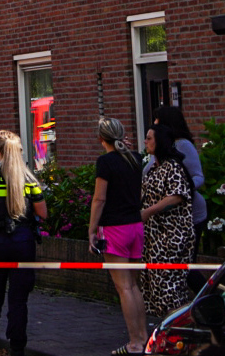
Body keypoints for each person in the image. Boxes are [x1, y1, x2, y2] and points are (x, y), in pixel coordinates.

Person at [0, 130, 47, 356]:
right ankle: (17, 348)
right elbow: (42, 213)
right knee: (18, 299)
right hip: (22, 243)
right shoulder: (29, 179)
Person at [87, 117, 147, 355]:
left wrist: (92, 229)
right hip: (135, 226)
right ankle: (143, 336)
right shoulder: (135, 159)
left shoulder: (105, 162)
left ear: (100, 138)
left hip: (115, 229)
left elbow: (99, 199)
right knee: (133, 286)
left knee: (123, 288)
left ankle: (134, 343)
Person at [141, 124, 195, 320]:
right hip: (154, 236)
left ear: (160, 142)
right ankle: (167, 325)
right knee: (155, 284)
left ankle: (177, 326)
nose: (145, 142)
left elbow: (177, 196)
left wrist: (149, 211)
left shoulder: (172, 166)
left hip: (171, 235)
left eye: (149, 138)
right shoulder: (155, 167)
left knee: (169, 284)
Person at [150, 106, 207, 244]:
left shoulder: (182, 145)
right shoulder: (159, 147)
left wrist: (179, 190)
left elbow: (198, 177)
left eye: (157, 119)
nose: (154, 123)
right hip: (166, 216)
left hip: (187, 215)